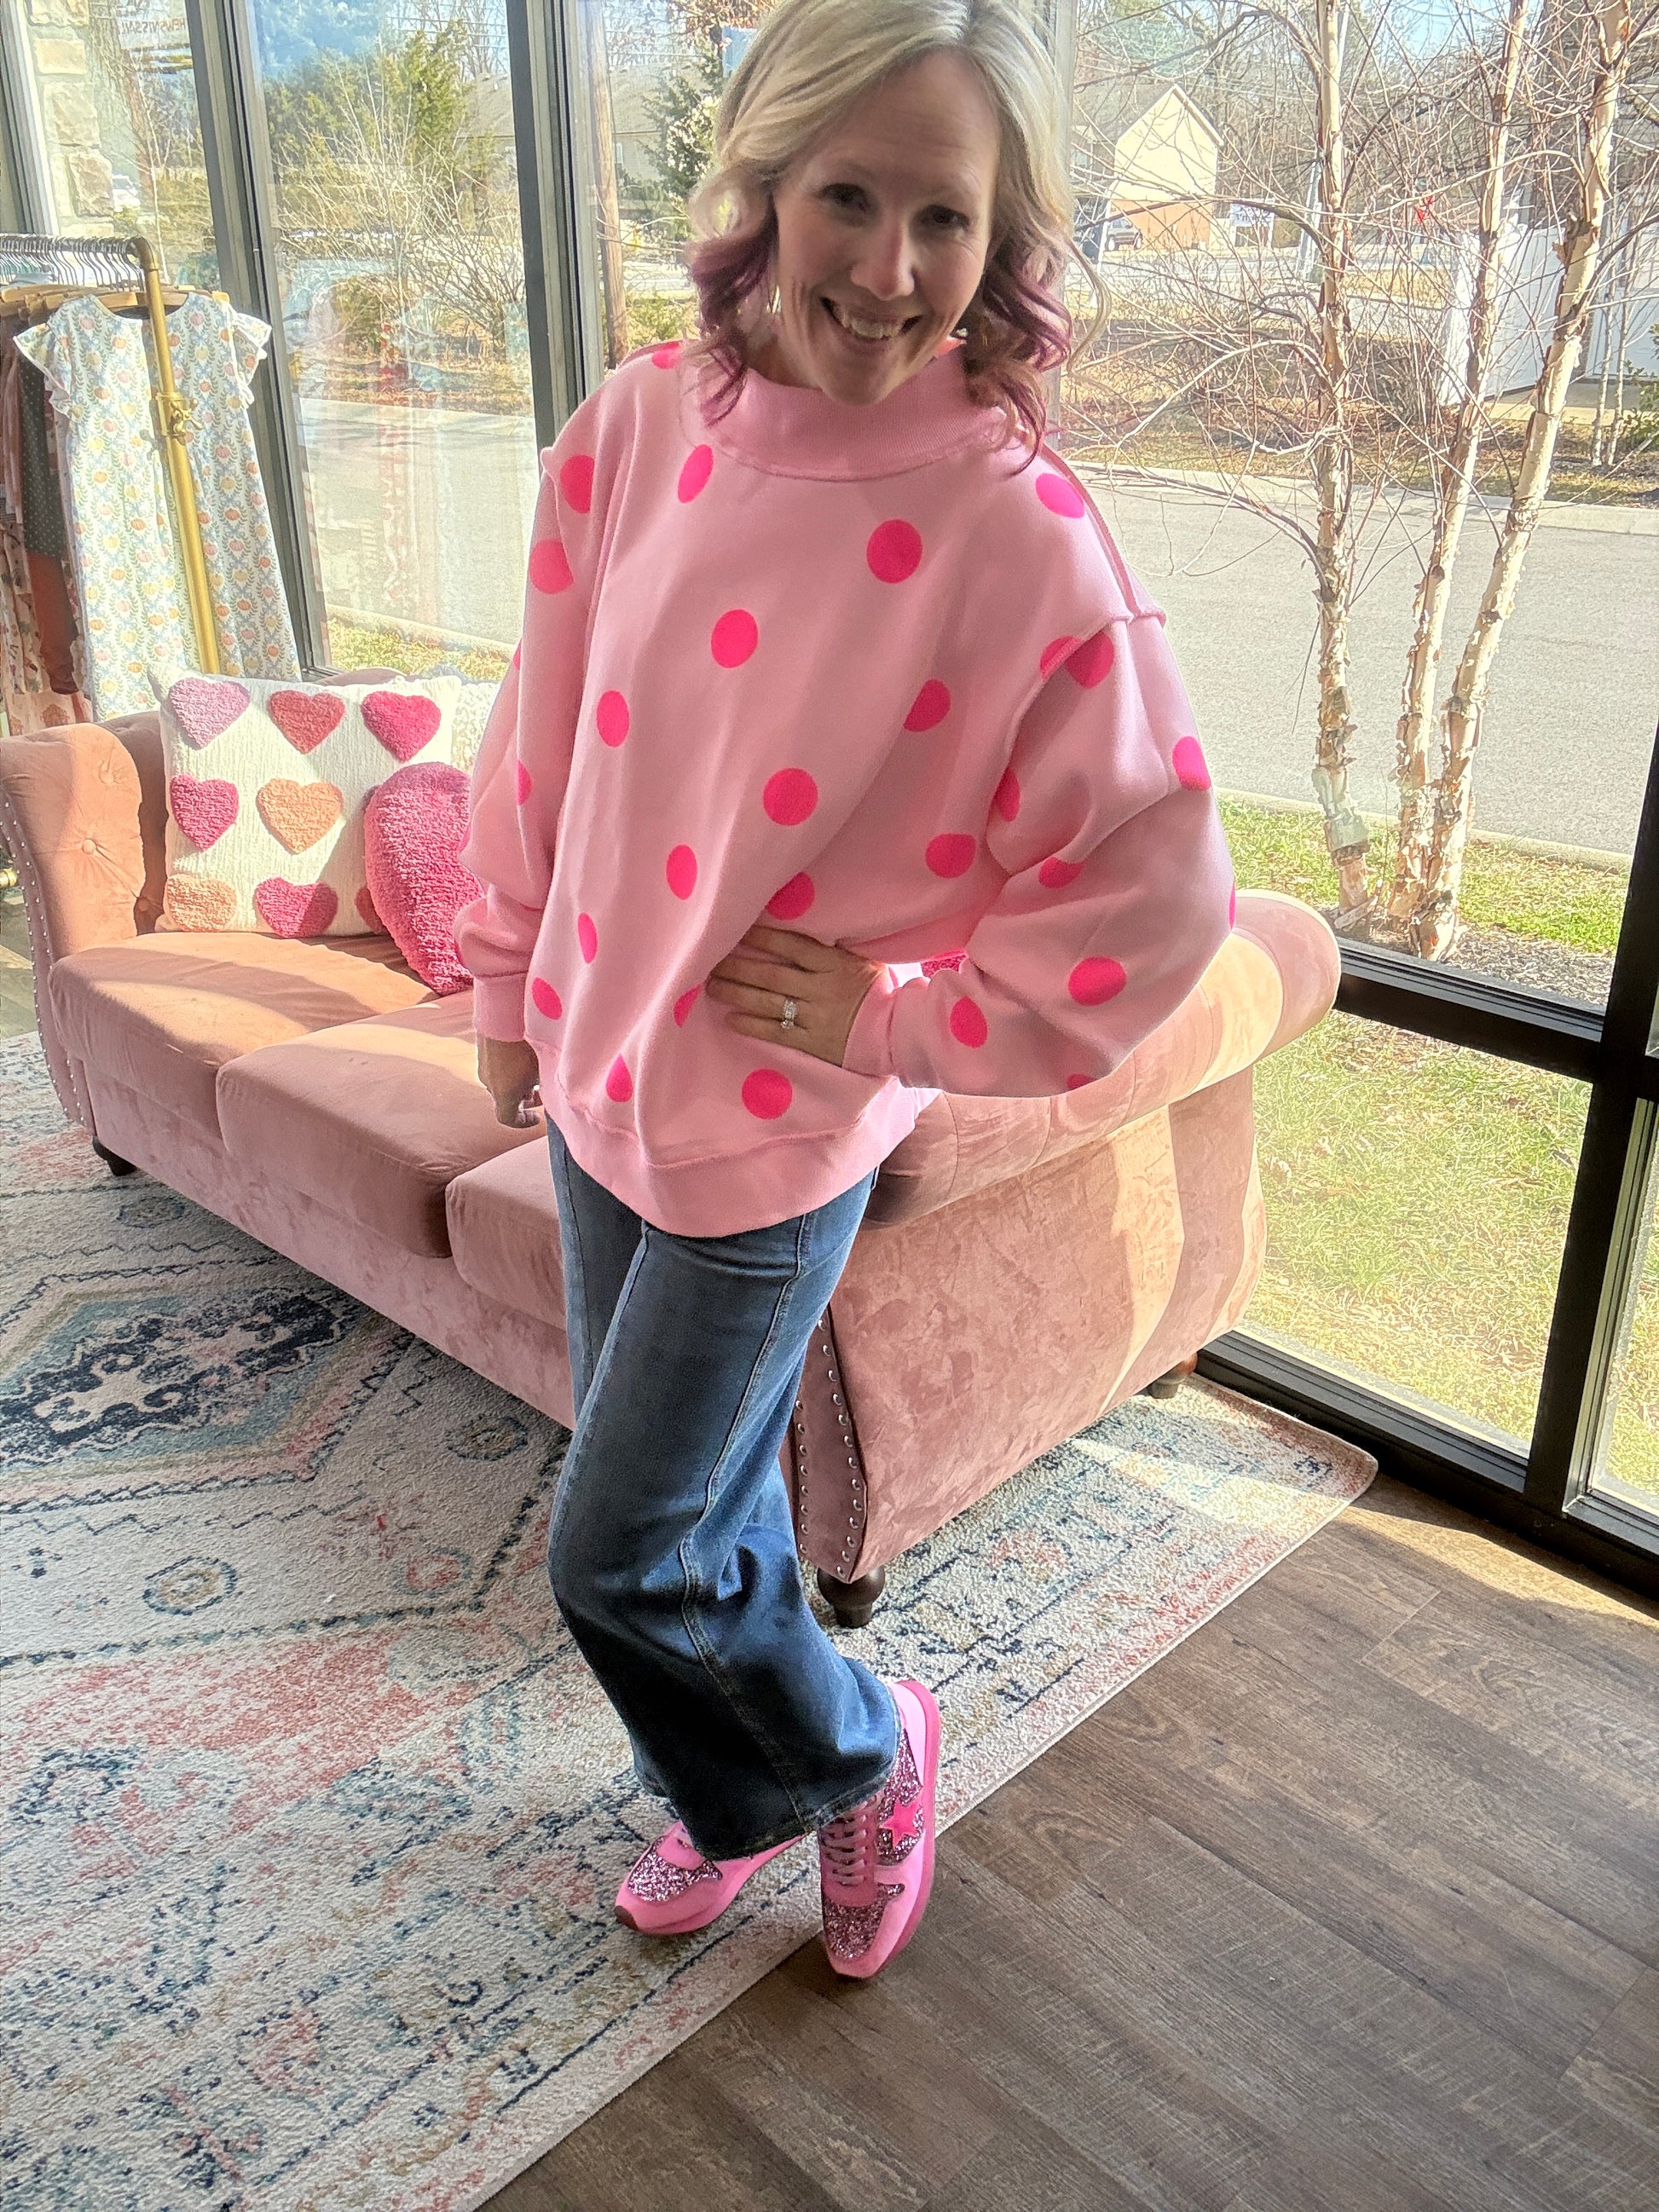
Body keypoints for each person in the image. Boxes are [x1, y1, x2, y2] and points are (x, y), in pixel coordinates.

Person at [455, 0, 1235, 1983]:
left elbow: (1151, 892)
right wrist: (508, 979)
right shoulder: (641, 423)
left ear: (1004, 239)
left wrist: (893, 1021)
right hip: (600, 1075)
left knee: (620, 1545)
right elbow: (543, 725)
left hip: (777, 1123)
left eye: (944, 218)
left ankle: (864, 1745)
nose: (891, 268)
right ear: (765, 187)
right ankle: (730, 1777)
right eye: (848, 199)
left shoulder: (1016, 530)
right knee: (698, 1521)